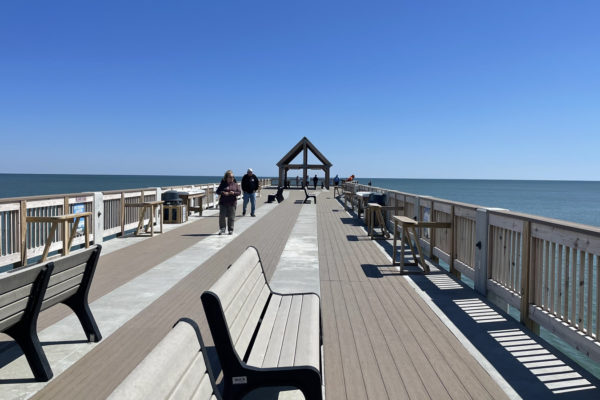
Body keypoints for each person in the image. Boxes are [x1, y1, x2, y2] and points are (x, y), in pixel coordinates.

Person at [216, 170, 241, 234]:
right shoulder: (223, 184)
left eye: (233, 177)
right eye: (230, 177)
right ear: (226, 177)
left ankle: (230, 229)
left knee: (231, 217)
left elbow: (239, 192)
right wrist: (224, 193)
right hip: (223, 202)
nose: (232, 178)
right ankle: (222, 229)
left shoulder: (235, 184)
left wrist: (234, 193)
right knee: (222, 217)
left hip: (232, 203)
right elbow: (217, 191)